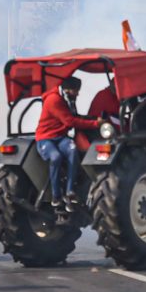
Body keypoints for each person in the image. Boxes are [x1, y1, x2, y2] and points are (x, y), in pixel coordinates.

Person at [35, 76, 101, 217]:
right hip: (46, 139)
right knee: (56, 157)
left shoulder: (67, 100)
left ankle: (70, 191)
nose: (78, 94)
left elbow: (73, 116)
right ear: (68, 89)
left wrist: (89, 119)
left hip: (60, 137)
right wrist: (96, 124)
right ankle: (56, 196)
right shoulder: (54, 100)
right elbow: (69, 121)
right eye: (76, 91)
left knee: (72, 150)